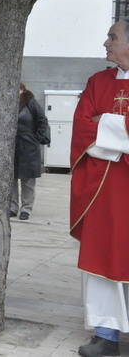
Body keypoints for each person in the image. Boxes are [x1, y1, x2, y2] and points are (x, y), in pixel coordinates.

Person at [70, 20, 129, 357]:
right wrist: (120, 136)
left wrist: (104, 125)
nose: (105, 43)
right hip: (102, 191)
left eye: (113, 37)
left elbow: (95, 126)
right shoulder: (98, 81)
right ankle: (105, 335)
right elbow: (81, 128)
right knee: (103, 258)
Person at [11, 83, 50, 221]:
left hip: (28, 146)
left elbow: (42, 120)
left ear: (22, 89)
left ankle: (26, 208)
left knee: (27, 180)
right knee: (11, 178)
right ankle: (12, 207)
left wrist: (36, 138)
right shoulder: (8, 101)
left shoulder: (30, 102)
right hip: (11, 146)